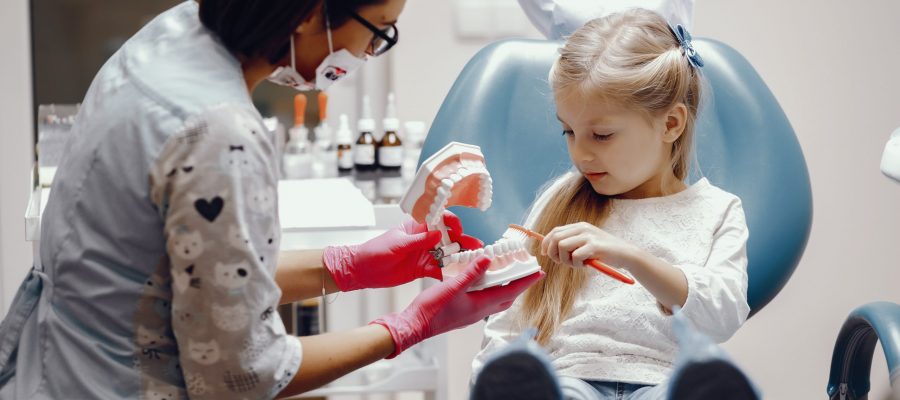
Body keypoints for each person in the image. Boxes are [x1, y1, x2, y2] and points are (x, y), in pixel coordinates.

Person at [0, 1, 541, 399]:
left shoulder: (170, 36)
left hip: (53, 368)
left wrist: (347, 267)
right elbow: (245, 376)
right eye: (378, 32)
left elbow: (187, 279)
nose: (368, 53)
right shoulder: (220, 134)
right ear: (309, 13)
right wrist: (408, 327)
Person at [469, 8, 755, 399]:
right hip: (568, 377)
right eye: (569, 131)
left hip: (661, 381)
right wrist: (490, 376)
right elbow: (512, 316)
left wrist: (630, 256)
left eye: (601, 135)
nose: (580, 154)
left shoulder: (718, 212)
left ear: (671, 124)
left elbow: (721, 318)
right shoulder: (560, 200)